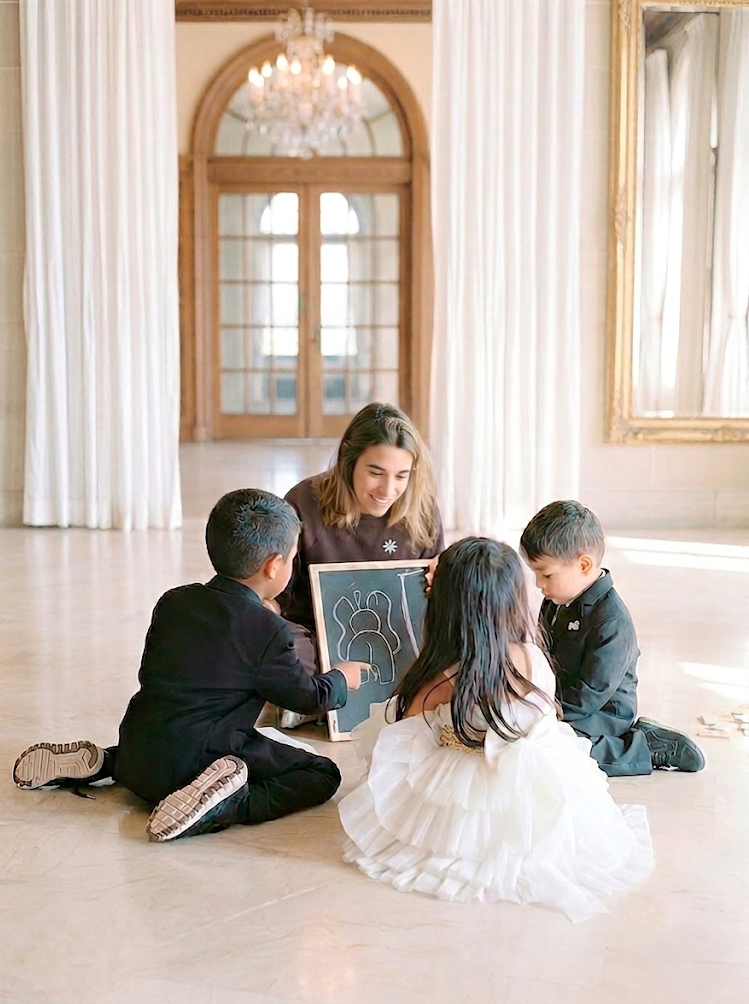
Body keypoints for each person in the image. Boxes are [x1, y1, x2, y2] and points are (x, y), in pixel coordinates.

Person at [12, 489, 367, 842]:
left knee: (174, 732)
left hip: (137, 751)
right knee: (322, 773)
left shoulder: (173, 602)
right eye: (292, 558)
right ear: (273, 566)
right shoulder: (266, 630)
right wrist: (340, 679)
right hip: (195, 768)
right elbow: (305, 698)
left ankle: (105, 763)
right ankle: (228, 804)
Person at [338, 537, 654, 923]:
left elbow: (401, 731)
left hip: (473, 776)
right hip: (543, 775)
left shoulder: (448, 676)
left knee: (402, 747)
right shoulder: (532, 657)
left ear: (446, 609)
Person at [277, 401, 444, 726]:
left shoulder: (422, 512)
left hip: (399, 637)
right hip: (314, 637)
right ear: (348, 461)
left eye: (402, 476)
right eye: (375, 473)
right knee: (274, 643)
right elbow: (278, 597)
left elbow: (436, 600)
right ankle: (316, 695)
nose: (388, 490)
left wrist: (440, 581)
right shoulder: (304, 500)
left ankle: (315, 700)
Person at [520, 500, 705, 776]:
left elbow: (589, 696)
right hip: (563, 701)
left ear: (584, 564)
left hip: (603, 713)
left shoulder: (611, 621)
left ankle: (645, 748)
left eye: (546, 574)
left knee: (549, 749)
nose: (538, 584)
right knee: (525, 734)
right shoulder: (556, 599)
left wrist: (542, 711)